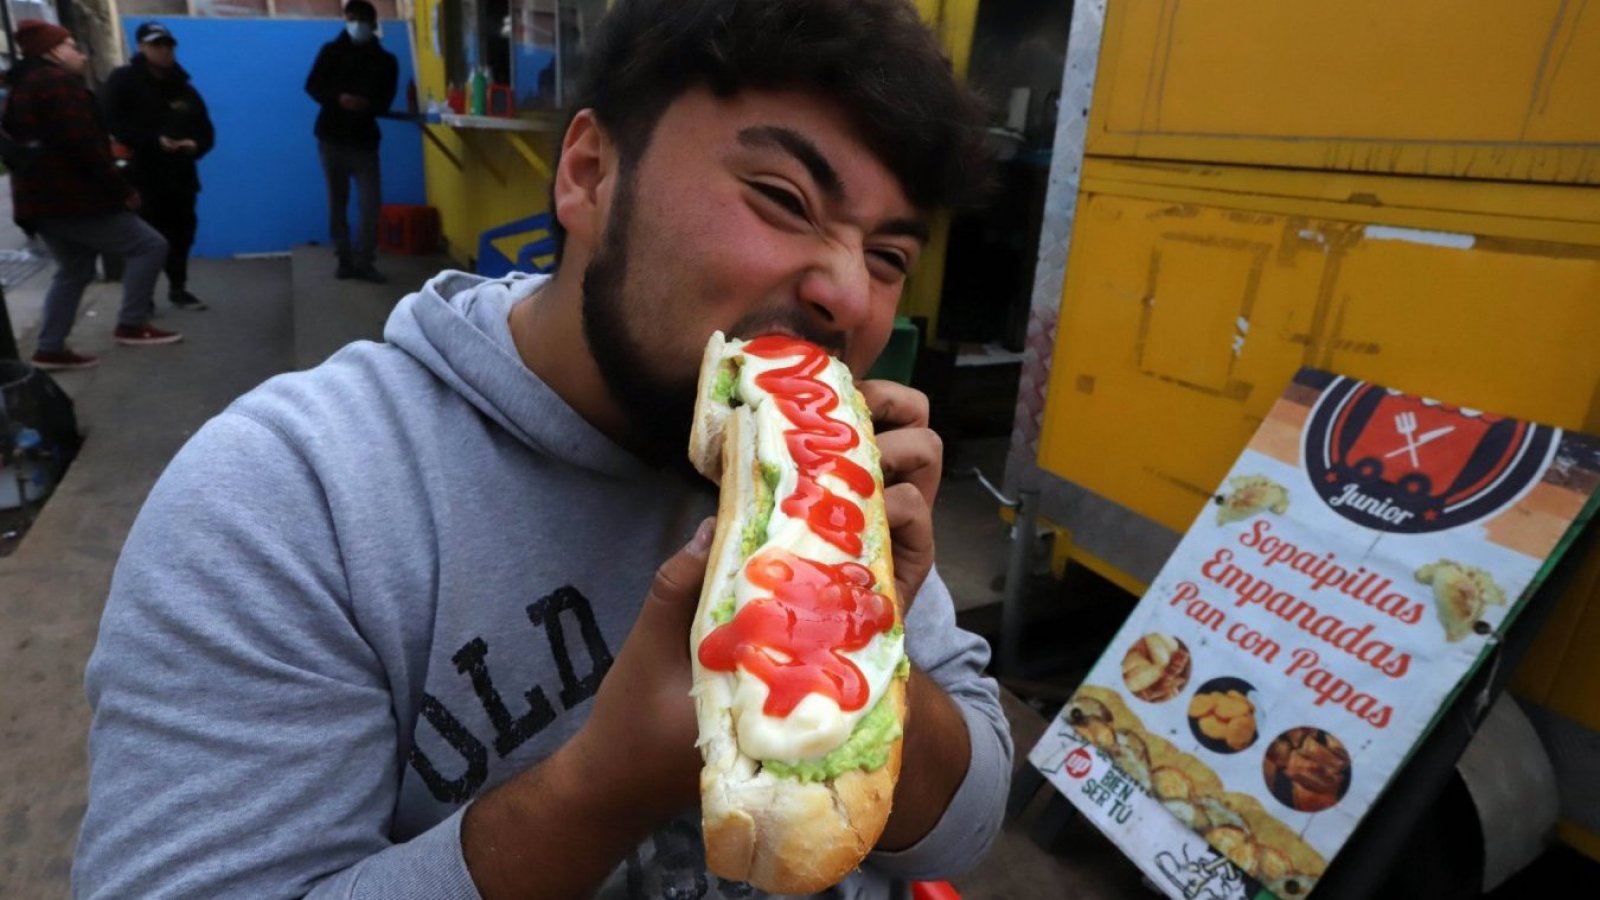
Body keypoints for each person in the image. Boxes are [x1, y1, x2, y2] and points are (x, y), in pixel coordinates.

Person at [74, 1, 1004, 897]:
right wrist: (598, 792)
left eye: (888, 257)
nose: (848, 293)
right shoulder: (288, 494)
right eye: (783, 199)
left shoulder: (845, 488)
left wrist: (865, 646)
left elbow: (971, 822)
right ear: (591, 174)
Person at [4, 20, 182, 371]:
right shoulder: (56, 84)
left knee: (74, 267)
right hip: (73, 199)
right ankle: (132, 323)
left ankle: (49, 348)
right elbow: (83, 147)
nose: (81, 54)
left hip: (41, 200)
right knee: (149, 245)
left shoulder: (23, 85)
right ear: (52, 51)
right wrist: (122, 190)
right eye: (71, 45)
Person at [103, 21, 217, 311]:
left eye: (168, 45)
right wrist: (154, 141)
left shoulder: (184, 88)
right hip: (140, 176)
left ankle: (179, 288)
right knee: (145, 239)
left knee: (182, 235)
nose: (164, 51)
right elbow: (111, 122)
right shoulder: (124, 81)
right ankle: (143, 299)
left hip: (180, 177)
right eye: (157, 45)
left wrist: (195, 145)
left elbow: (206, 130)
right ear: (141, 47)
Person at [303, 0, 397, 284]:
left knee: (371, 204)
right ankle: (344, 259)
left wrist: (365, 105)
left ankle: (365, 260)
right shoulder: (331, 52)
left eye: (359, 19)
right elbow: (312, 86)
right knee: (338, 201)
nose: (354, 24)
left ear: (372, 23)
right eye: (350, 18)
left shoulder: (385, 61)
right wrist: (338, 98)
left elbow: (385, 102)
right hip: (332, 136)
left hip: (365, 140)